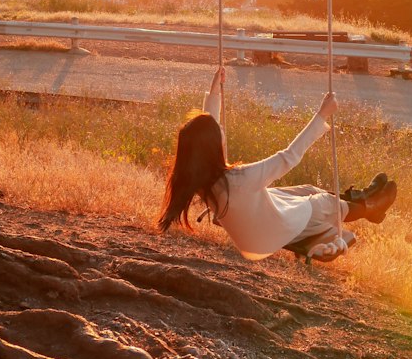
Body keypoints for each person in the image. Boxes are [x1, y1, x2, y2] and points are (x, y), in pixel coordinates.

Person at [157, 67, 397, 262]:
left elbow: (205, 135)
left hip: (254, 231)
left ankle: (361, 196)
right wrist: (321, 115)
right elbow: (288, 157)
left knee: (308, 190)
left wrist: (214, 94)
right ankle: (369, 206)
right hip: (267, 235)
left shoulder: (200, 177)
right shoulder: (239, 180)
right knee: (323, 203)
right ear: (211, 148)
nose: (222, 135)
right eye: (219, 134)